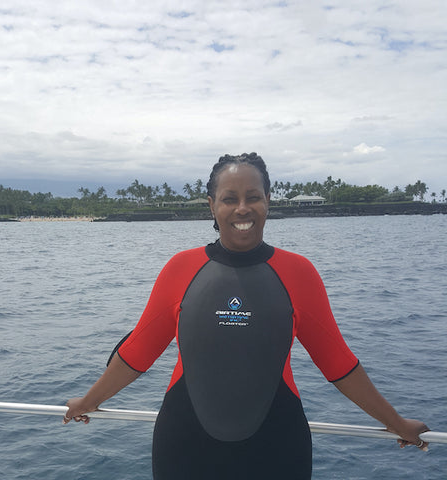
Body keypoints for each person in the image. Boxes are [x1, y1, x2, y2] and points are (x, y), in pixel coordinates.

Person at [64, 153, 429, 479]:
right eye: (230, 199)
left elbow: (338, 364)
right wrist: (89, 401)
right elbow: (137, 353)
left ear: (268, 201)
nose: (242, 209)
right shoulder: (180, 269)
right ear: (212, 206)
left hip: (277, 446)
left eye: (253, 197)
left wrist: (396, 423)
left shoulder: (298, 273)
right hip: (185, 447)